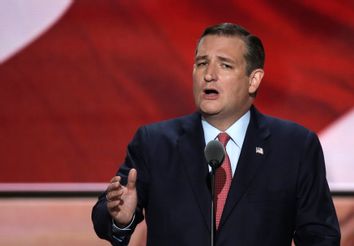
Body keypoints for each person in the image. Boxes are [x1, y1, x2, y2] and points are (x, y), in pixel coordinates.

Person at [92, 23, 341, 245]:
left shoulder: (294, 147)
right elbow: (106, 215)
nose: (208, 75)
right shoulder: (154, 143)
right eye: (201, 63)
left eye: (225, 65)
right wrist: (120, 219)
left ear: (253, 80)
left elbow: (321, 236)